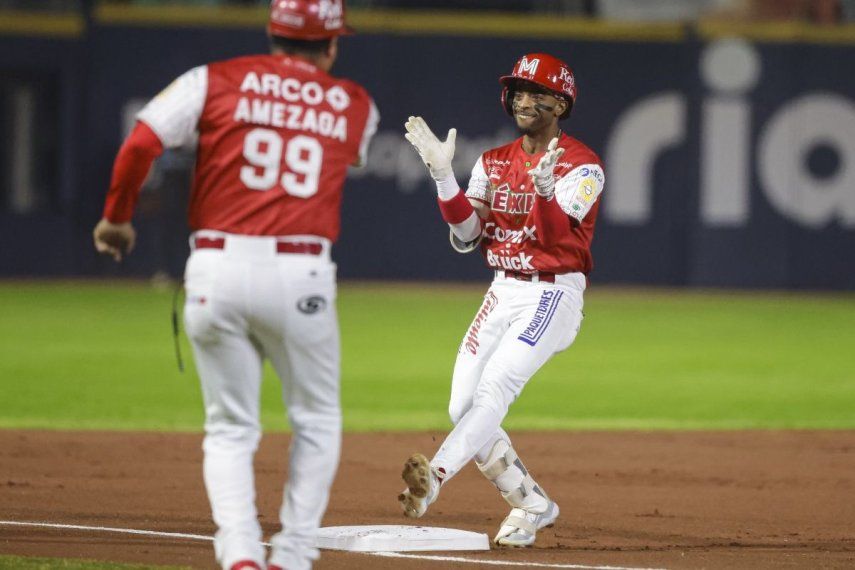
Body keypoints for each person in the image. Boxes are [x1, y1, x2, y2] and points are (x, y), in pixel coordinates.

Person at [92, 1, 379, 568]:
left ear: (273, 32)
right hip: (302, 273)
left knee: (229, 427)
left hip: (215, 268)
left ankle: (240, 552)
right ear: (331, 45)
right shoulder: (354, 103)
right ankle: (293, 553)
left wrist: (116, 216)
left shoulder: (213, 79)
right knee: (316, 419)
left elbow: (141, 144)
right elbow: (351, 154)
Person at [399, 52, 603, 547]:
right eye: (517, 90)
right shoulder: (494, 162)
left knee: (493, 392)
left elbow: (556, 242)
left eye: (536, 92)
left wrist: (548, 192)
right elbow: (468, 235)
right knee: (461, 404)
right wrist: (443, 177)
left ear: (561, 101)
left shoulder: (585, 166)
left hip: (552, 294)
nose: (523, 99)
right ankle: (531, 503)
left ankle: (435, 476)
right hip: (501, 289)